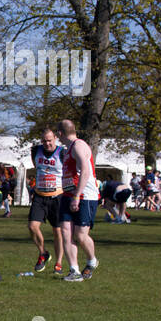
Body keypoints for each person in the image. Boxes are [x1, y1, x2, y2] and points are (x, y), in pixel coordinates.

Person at [57, 119, 98, 280]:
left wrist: (77, 196)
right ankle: (74, 270)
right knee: (66, 232)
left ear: (60, 134)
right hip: (68, 195)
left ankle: (92, 260)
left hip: (85, 196)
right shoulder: (67, 149)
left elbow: (86, 171)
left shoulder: (79, 145)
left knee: (80, 235)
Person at [27, 129, 67, 273]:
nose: (47, 143)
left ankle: (59, 263)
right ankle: (43, 252)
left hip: (57, 196)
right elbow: (37, 167)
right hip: (39, 195)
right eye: (44, 140)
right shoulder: (36, 150)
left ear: (55, 138)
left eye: (49, 140)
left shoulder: (62, 152)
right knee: (32, 226)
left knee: (57, 231)